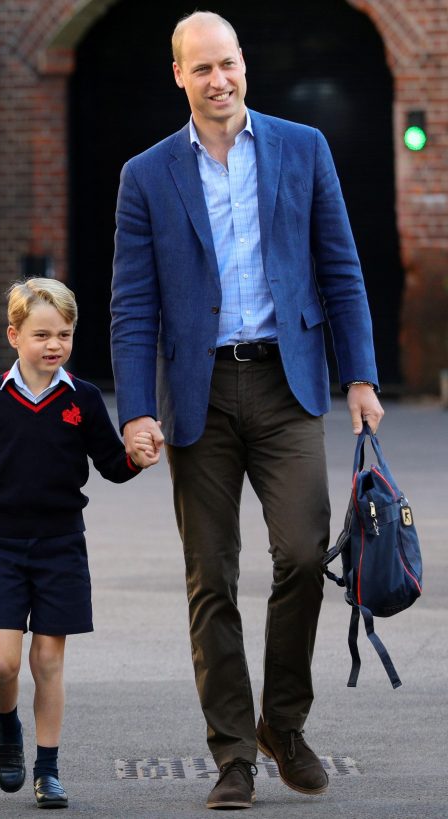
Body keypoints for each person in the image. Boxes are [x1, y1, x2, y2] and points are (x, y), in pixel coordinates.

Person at [110, 10, 385, 810]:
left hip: (287, 382)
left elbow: (342, 267)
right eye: (201, 69)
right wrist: (135, 411)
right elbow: (133, 307)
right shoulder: (147, 174)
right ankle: (232, 752)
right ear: (179, 77)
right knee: (212, 578)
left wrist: (360, 375)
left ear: (243, 64)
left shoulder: (303, 148)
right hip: (196, 395)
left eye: (226, 64)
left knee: (303, 554)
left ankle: (284, 724)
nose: (217, 80)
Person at [0, 278, 154, 809]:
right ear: (14, 335)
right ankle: (9, 728)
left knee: (48, 661)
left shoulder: (84, 398)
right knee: (4, 663)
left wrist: (135, 460)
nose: (54, 345)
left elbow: (110, 465)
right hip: (3, 546)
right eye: (42, 334)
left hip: (61, 546)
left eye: (65, 335)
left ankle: (47, 770)